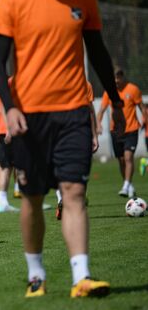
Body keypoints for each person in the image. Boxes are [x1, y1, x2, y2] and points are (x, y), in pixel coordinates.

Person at [0, 0, 125, 298]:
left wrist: (116, 99)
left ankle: (82, 276)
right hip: (29, 117)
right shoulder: (11, 0)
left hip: (74, 112)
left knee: (74, 192)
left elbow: (98, 53)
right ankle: (36, 275)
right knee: (32, 197)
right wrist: (10, 107)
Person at [96, 69, 146, 198]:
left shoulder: (133, 89)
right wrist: (98, 124)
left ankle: (126, 185)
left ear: (122, 78)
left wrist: (145, 121)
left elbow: (142, 107)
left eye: (118, 79)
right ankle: (128, 184)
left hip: (131, 129)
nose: (116, 82)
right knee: (121, 160)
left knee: (128, 157)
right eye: (114, 79)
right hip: (116, 131)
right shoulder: (109, 92)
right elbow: (101, 110)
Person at [55, 81, 98, 220]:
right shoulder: (84, 84)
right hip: (70, 132)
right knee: (68, 169)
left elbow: (90, 110)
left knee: (69, 170)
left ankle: (65, 199)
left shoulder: (85, 85)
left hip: (73, 131)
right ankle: (67, 200)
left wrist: (94, 135)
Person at [0, 93, 20, 213]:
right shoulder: (7, 97)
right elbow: (4, 111)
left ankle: (3, 201)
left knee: (1, 166)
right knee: (8, 167)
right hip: (6, 135)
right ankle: (3, 202)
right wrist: (8, 130)